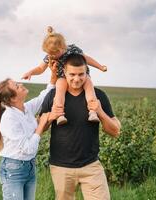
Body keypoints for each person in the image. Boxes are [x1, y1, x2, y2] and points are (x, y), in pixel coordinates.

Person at [40, 53, 121, 200]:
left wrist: (100, 112)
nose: (76, 79)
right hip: (61, 168)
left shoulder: (98, 96)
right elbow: (39, 128)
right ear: (64, 72)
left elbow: (115, 131)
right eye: (72, 74)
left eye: (81, 74)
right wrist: (51, 116)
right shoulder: (53, 95)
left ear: (87, 72)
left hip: (91, 166)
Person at [0, 70, 62, 200]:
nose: (21, 85)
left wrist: (53, 78)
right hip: (14, 170)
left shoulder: (26, 109)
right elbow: (28, 148)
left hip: (29, 166)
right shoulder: (9, 118)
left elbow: (42, 98)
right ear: (12, 98)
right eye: (17, 86)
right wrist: (41, 125)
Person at [22, 26, 107, 125]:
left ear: (62, 48)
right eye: (50, 54)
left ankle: (92, 112)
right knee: (59, 90)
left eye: (54, 53)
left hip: (81, 75)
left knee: (89, 88)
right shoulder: (49, 56)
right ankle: (60, 115)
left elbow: (87, 59)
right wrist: (30, 72)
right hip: (63, 77)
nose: (52, 56)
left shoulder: (73, 49)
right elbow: (40, 68)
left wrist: (100, 67)